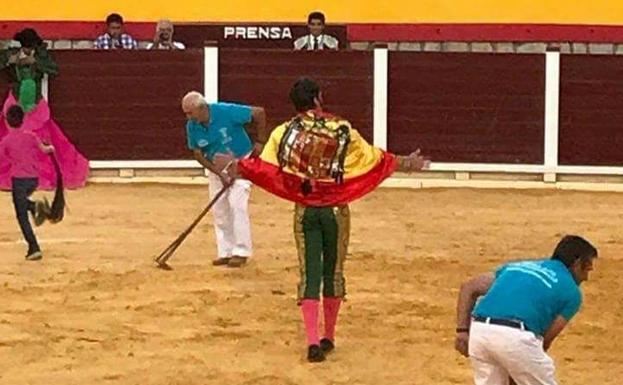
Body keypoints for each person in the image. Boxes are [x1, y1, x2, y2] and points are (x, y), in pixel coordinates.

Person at [222, 78, 429, 362]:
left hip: (306, 211)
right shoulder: (341, 129)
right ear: (319, 98)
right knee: (333, 272)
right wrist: (406, 162)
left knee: (310, 274)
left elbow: (267, 168)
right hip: (335, 211)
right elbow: (371, 160)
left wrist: (239, 166)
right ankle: (328, 337)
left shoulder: (285, 133)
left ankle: (311, 341)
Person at [454, 235, 598, 385]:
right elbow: (544, 340)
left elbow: (469, 287)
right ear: (577, 263)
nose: (586, 278)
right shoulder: (571, 292)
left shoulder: (517, 267)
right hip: (515, 337)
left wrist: (462, 331)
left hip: (480, 332)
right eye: (587, 269)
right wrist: (516, 370)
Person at [181, 91, 266, 268]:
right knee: (220, 210)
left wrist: (260, 142)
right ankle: (226, 251)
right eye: (186, 113)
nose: (188, 117)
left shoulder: (225, 111)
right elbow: (197, 153)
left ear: (202, 108)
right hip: (217, 167)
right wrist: (219, 173)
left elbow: (259, 112)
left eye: (190, 113)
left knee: (237, 204)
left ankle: (241, 251)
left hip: (242, 162)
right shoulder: (192, 126)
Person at [0, 28, 89, 190]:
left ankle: (40, 177)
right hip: (16, 99)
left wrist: (36, 63)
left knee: (37, 137)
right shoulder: (11, 53)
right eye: (25, 46)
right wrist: (9, 61)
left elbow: (54, 70)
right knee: (12, 137)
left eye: (30, 46)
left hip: (35, 102)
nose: (28, 49)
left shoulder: (40, 55)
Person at [0, 105, 55, 260]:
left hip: (19, 181)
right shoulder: (31, 136)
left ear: (7, 121)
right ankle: (35, 207)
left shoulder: (6, 140)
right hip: (33, 180)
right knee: (23, 204)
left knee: (21, 215)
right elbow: (45, 150)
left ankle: (34, 247)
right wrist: (51, 148)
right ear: (23, 120)